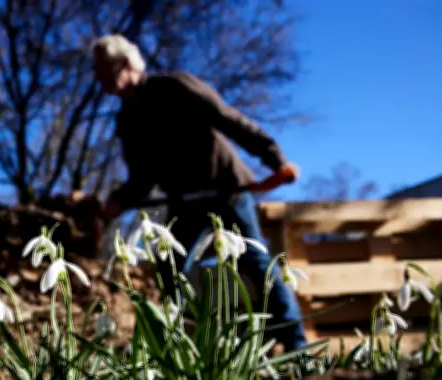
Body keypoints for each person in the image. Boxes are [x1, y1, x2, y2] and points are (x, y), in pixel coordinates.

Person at [90, 34, 307, 351]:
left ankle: (296, 346)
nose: (98, 78)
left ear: (123, 63)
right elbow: (142, 176)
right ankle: (174, 348)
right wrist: (119, 200)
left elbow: (227, 118)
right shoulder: (127, 120)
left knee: (255, 260)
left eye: (102, 68)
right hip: (183, 201)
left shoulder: (174, 87)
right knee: (169, 267)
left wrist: (274, 158)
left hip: (225, 190)